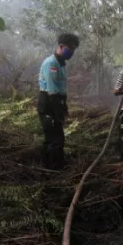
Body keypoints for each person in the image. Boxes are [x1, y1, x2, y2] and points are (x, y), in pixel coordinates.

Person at [37, 33, 80, 169]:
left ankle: (50, 165)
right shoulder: (52, 63)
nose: (72, 52)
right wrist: (58, 114)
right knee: (55, 139)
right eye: (70, 48)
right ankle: (53, 169)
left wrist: (64, 109)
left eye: (74, 49)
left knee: (55, 137)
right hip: (49, 103)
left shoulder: (61, 64)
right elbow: (52, 92)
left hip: (56, 102)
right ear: (61, 46)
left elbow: (61, 90)